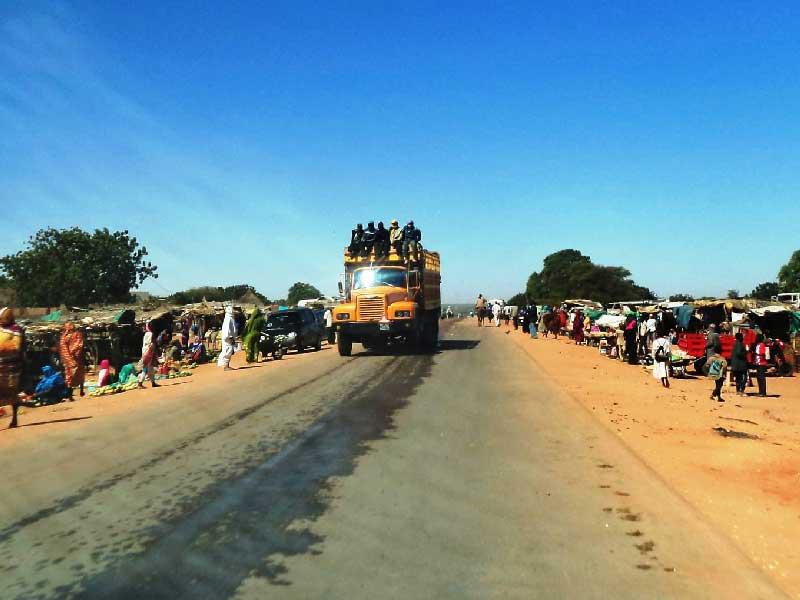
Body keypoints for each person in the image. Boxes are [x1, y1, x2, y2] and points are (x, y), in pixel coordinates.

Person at [0, 308, 27, 428]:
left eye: (2, 318)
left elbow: (15, 346)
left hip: (11, 368)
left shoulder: (16, 329)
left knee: (11, 392)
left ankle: (14, 418)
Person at [59, 322, 86, 398]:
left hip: (76, 358)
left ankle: (80, 391)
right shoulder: (64, 336)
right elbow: (64, 347)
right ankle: (70, 394)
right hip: (70, 359)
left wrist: (73, 351)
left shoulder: (76, 334)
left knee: (78, 375)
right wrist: (71, 353)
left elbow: (79, 344)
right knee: (70, 376)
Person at [217, 305, 238, 370]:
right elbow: (227, 330)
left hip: (229, 338)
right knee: (227, 351)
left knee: (229, 351)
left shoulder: (231, 318)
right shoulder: (228, 319)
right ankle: (226, 366)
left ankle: (227, 365)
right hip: (228, 338)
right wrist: (230, 337)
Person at [140, 321, 159, 388]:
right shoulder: (151, 334)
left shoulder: (146, 334)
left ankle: (153, 382)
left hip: (145, 352)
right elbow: (151, 344)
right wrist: (153, 352)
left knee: (150, 368)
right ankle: (140, 383)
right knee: (145, 368)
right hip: (149, 352)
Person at [730, 332, 748, 396]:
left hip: (735, 364)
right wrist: (746, 353)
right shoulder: (740, 344)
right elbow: (739, 353)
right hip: (740, 364)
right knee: (744, 378)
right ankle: (741, 391)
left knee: (738, 378)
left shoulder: (735, 344)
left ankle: (738, 390)